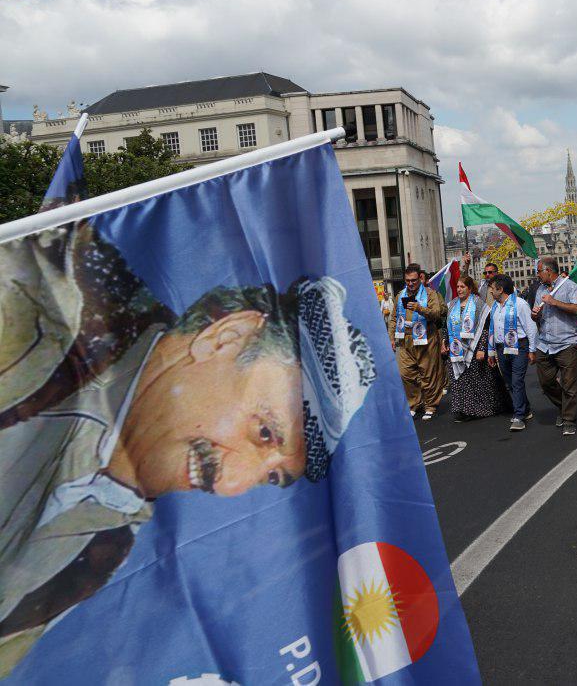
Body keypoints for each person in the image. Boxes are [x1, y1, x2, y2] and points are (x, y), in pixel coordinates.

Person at [0, 223, 375, 675]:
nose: (233, 484)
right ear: (228, 337)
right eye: (263, 433)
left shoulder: (110, 542)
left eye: (271, 477)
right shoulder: (30, 302)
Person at [445, 275, 508, 422]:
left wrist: (481, 348)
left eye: (462, 287)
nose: (459, 290)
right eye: (458, 287)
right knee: (458, 380)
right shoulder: (452, 305)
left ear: (470, 288)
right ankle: (461, 410)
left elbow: (485, 329)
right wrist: (444, 341)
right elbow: (445, 325)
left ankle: (478, 409)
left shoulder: (479, 305)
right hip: (456, 349)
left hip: (473, 349)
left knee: (475, 381)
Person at [532, 259, 577, 437]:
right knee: (546, 382)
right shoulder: (540, 289)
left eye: (539, 271)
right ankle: (563, 406)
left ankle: (569, 419)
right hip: (544, 343)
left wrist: (555, 302)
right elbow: (536, 316)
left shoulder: (569, 286)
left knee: (569, 385)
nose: (537, 274)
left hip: (566, 342)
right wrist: (535, 315)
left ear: (548, 271)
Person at [394, 263, 448, 420]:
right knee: (405, 373)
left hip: (426, 337)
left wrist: (420, 308)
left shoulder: (430, 294)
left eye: (414, 280)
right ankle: (413, 403)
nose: (410, 283)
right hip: (406, 339)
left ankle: (430, 405)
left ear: (420, 279)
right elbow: (393, 317)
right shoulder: (400, 295)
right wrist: (392, 336)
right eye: (407, 280)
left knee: (428, 373)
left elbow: (437, 313)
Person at [486, 273, 538, 431]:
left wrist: (532, 349)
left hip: (519, 347)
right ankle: (525, 408)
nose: (490, 292)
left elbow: (531, 327)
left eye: (492, 289)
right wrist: (491, 351)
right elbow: (492, 329)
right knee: (510, 382)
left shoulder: (520, 304)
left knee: (517, 381)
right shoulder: (494, 306)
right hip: (502, 348)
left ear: (500, 289)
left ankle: (519, 415)